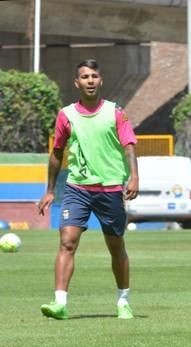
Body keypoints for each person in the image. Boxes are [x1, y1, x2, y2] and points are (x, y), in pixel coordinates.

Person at [37, 59, 139, 320]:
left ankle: (123, 301)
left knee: (116, 247)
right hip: (77, 189)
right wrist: (50, 190)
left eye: (94, 76)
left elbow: (129, 146)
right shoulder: (66, 115)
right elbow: (57, 152)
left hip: (111, 189)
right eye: (85, 76)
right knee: (67, 242)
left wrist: (134, 176)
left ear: (100, 80)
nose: (90, 80)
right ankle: (60, 303)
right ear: (77, 82)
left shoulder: (116, 112)